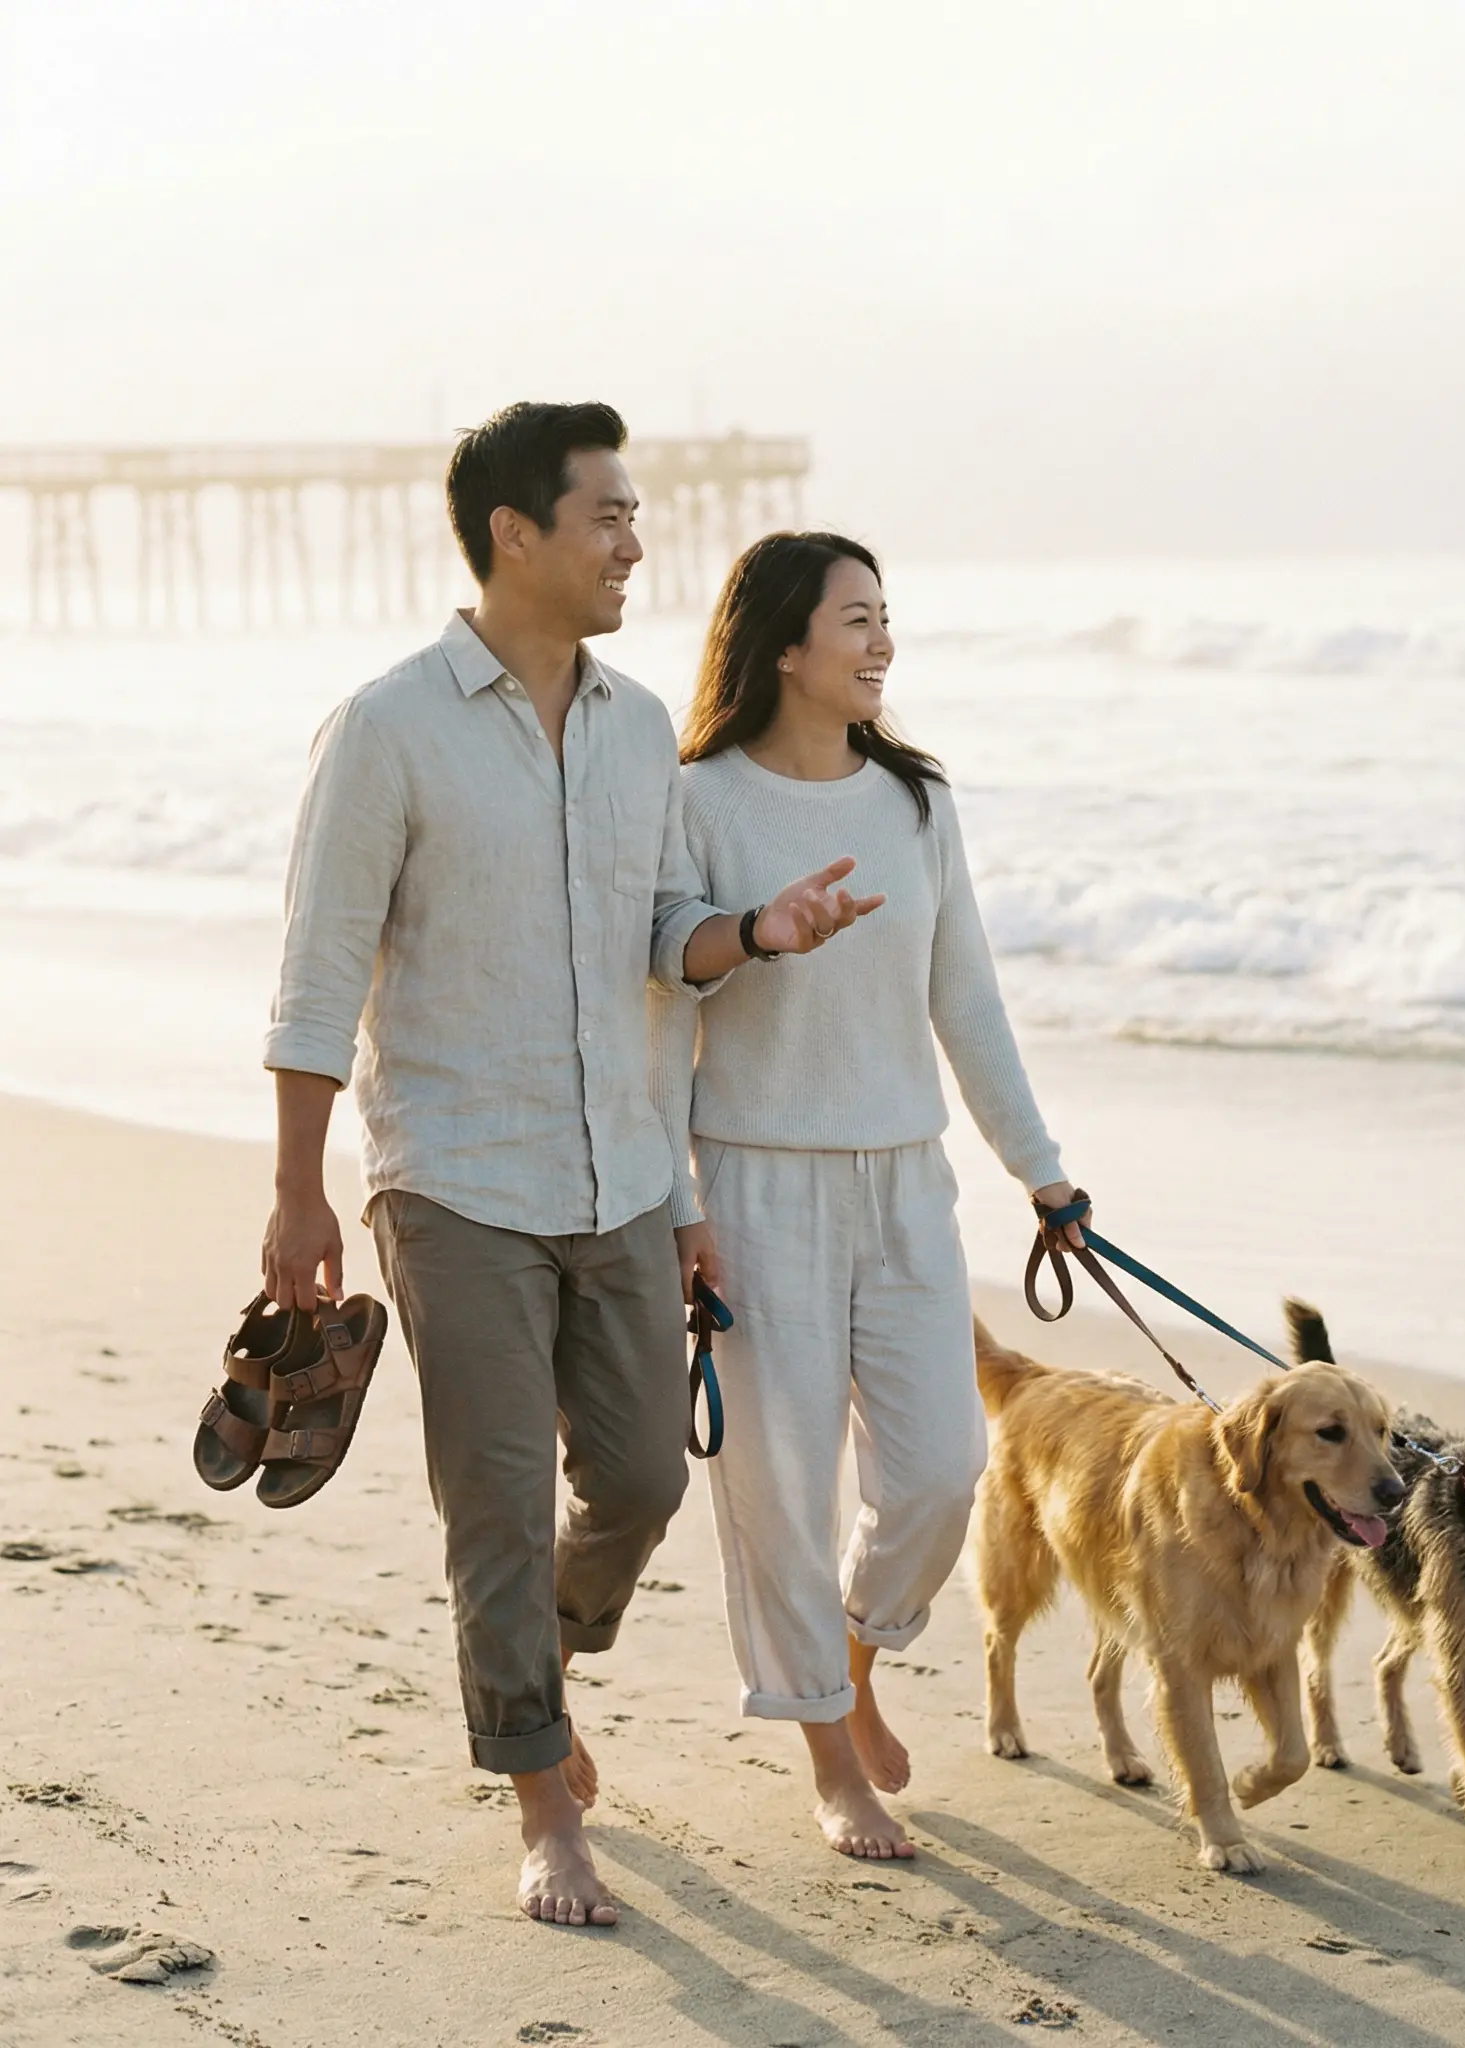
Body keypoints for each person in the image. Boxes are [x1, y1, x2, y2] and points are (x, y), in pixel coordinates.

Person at [260, 405, 879, 1928]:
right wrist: (296, 1189)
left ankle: (525, 1653)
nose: (635, 544)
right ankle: (544, 1800)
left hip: (616, 1177)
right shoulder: (388, 726)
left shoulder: (631, 724)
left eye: (636, 515)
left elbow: (667, 939)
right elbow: (318, 972)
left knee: (643, 1477)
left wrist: (759, 934)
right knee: (490, 1497)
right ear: (514, 535)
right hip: (452, 1173)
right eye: (607, 516)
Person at [649, 531, 1088, 1861]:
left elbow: (970, 999)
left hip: (906, 1180)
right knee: (779, 1484)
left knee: (945, 1469)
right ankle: (831, 1758)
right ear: (784, 644)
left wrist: (1044, 1172)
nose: (882, 642)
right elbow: (664, 993)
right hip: (754, 1179)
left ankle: (852, 1650)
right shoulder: (699, 798)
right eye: (856, 620)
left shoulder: (916, 802)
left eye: (886, 617)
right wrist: (681, 1205)